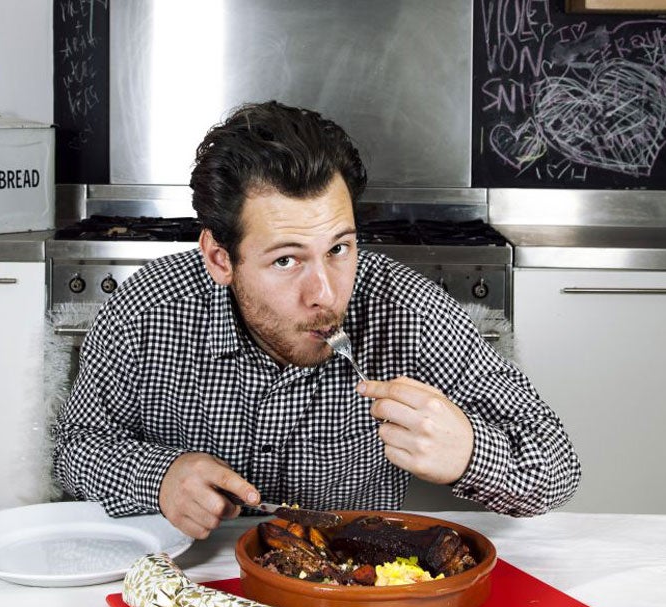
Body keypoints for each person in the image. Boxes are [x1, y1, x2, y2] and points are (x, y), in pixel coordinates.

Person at [53, 101, 580, 540]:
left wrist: (468, 452)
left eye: (339, 248)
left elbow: (557, 466)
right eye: (286, 260)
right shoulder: (146, 308)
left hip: (348, 591)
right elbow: (74, 449)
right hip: (193, 585)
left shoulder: (409, 312)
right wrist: (160, 478)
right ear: (220, 259)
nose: (326, 294)